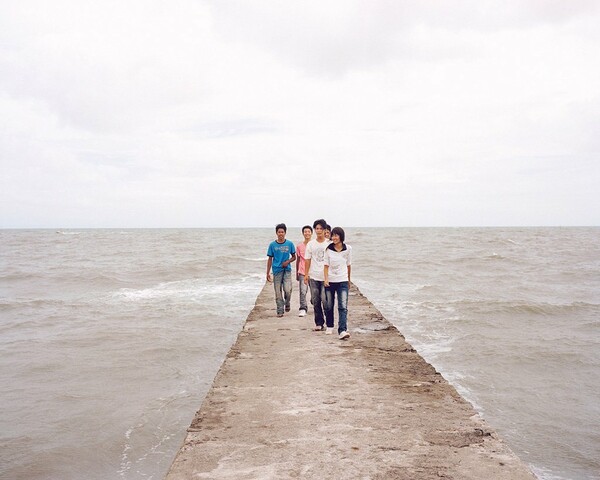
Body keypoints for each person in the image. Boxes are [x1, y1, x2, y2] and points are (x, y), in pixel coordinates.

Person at [304, 219, 333, 331]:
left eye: (321, 228)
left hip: (326, 277)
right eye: (317, 228)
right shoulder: (311, 244)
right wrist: (306, 274)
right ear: (314, 230)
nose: (319, 230)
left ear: (325, 230)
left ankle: (329, 322)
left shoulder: (329, 244)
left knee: (326, 301)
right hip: (314, 276)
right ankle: (319, 323)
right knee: (316, 300)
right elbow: (307, 260)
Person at [324, 227, 352, 340]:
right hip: (330, 280)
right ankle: (330, 325)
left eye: (336, 235)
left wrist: (349, 279)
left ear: (341, 236)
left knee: (343, 306)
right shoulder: (328, 249)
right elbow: (326, 266)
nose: (334, 238)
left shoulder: (348, 249)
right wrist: (325, 279)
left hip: (343, 280)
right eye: (333, 235)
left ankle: (342, 330)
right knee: (329, 305)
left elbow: (349, 265)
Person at [266, 223, 296, 317]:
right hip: (276, 270)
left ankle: (287, 303)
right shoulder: (272, 245)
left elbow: (294, 257)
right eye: (279, 232)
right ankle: (280, 310)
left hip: (286, 270)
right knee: (278, 292)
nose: (281, 234)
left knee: (287, 290)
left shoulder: (289, 244)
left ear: (285, 233)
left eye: (282, 232)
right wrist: (267, 273)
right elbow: (270, 259)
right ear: (276, 233)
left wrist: (287, 261)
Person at [295, 225, 313, 317]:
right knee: (303, 291)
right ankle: (303, 308)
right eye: (305, 232)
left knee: (315, 293)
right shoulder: (299, 246)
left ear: (311, 233)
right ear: (303, 233)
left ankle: (313, 301)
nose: (307, 233)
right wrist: (296, 273)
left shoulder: (314, 244)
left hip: (314, 272)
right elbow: (298, 259)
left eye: (308, 231)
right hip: (302, 271)